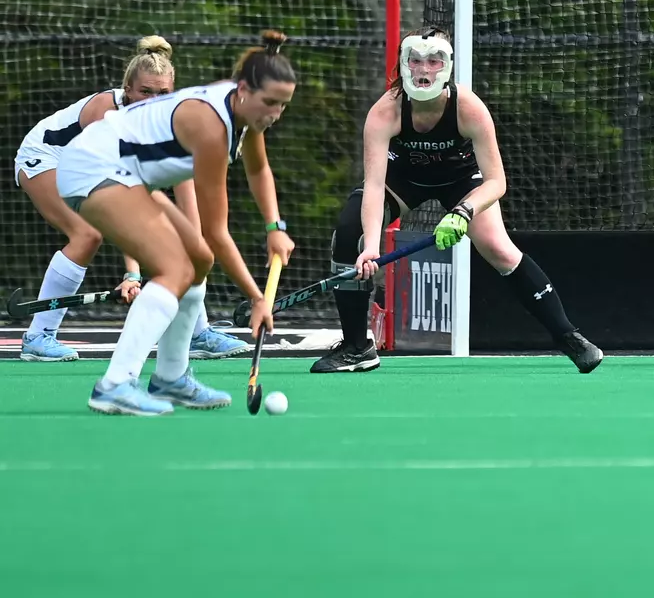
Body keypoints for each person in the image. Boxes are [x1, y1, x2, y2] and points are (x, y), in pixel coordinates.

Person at [311, 27, 602, 373]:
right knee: (348, 232)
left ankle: (568, 336)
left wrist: (463, 211)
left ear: (448, 66)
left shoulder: (469, 108)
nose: (423, 70)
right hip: (403, 180)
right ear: (403, 64)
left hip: (462, 181)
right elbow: (374, 187)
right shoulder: (384, 112)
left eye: (434, 61)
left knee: (498, 248)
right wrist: (371, 247)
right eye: (415, 61)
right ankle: (357, 347)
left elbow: (497, 182)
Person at [54, 32, 298, 416]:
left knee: (198, 260)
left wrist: (274, 228)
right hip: (95, 167)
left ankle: (171, 377)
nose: (274, 114)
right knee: (175, 267)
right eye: (269, 103)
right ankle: (114, 385)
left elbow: (258, 168)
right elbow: (218, 233)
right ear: (245, 89)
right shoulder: (211, 128)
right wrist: (256, 298)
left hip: (129, 175)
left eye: (283, 106)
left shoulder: (244, 111)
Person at [12, 36, 249, 361]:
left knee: (189, 247)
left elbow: (185, 193)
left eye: (162, 93)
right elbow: (121, 204)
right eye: (144, 92)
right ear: (127, 89)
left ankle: (196, 333)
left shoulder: (180, 120)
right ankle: (38, 337)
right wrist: (133, 274)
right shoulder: (107, 113)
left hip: (96, 175)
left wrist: (197, 250)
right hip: (46, 157)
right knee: (87, 233)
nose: (152, 100)